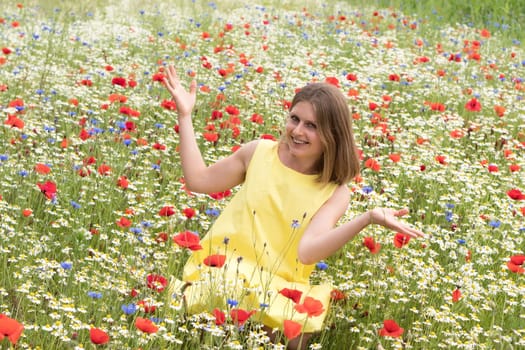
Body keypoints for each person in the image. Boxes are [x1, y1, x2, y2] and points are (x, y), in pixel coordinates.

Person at [164, 65, 425, 350]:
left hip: (278, 283)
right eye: (294, 119)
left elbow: (307, 252)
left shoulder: (334, 192)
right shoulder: (259, 154)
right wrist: (185, 115)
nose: (297, 131)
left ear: (332, 135)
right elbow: (198, 180)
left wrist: (367, 218)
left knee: (293, 336)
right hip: (226, 268)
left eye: (311, 126)